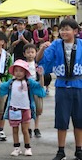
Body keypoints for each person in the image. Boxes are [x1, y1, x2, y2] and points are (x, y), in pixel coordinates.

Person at [36, 18, 82, 160]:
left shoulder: (81, 45)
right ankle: (61, 151)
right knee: (61, 120)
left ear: (75, 31)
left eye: (67, 29)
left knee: (79, 120)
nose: (63, 32)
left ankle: (79, 150)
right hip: (62, 86)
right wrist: (42, 48)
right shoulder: (56, 45)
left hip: (79, 85)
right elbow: (40, 60)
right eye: (61, 29)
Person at [0, 59, 46, 157]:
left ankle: (28, 148)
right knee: (15, 130)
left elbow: (40, 86)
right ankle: (17, 148)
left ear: (25, 72)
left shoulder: (29, 82)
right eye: (16, 71)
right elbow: (2, 86)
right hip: (13, 109)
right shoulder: (11, 82)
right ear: (13, 72)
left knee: (25, 130)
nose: (18, 73)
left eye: (21, 70)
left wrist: (41, 75)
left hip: (26, 109)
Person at [23, 43, 50, 138]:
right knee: (28, 109)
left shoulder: (38, 65)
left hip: (37, 88)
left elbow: (42, 79)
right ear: (24, 54)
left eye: (32, 52)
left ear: (35, 53)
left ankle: (36, 127)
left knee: (38, 109)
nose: (30, 54)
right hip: (26, 89)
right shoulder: (23, 65)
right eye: (28, 52)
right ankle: (28, 127)